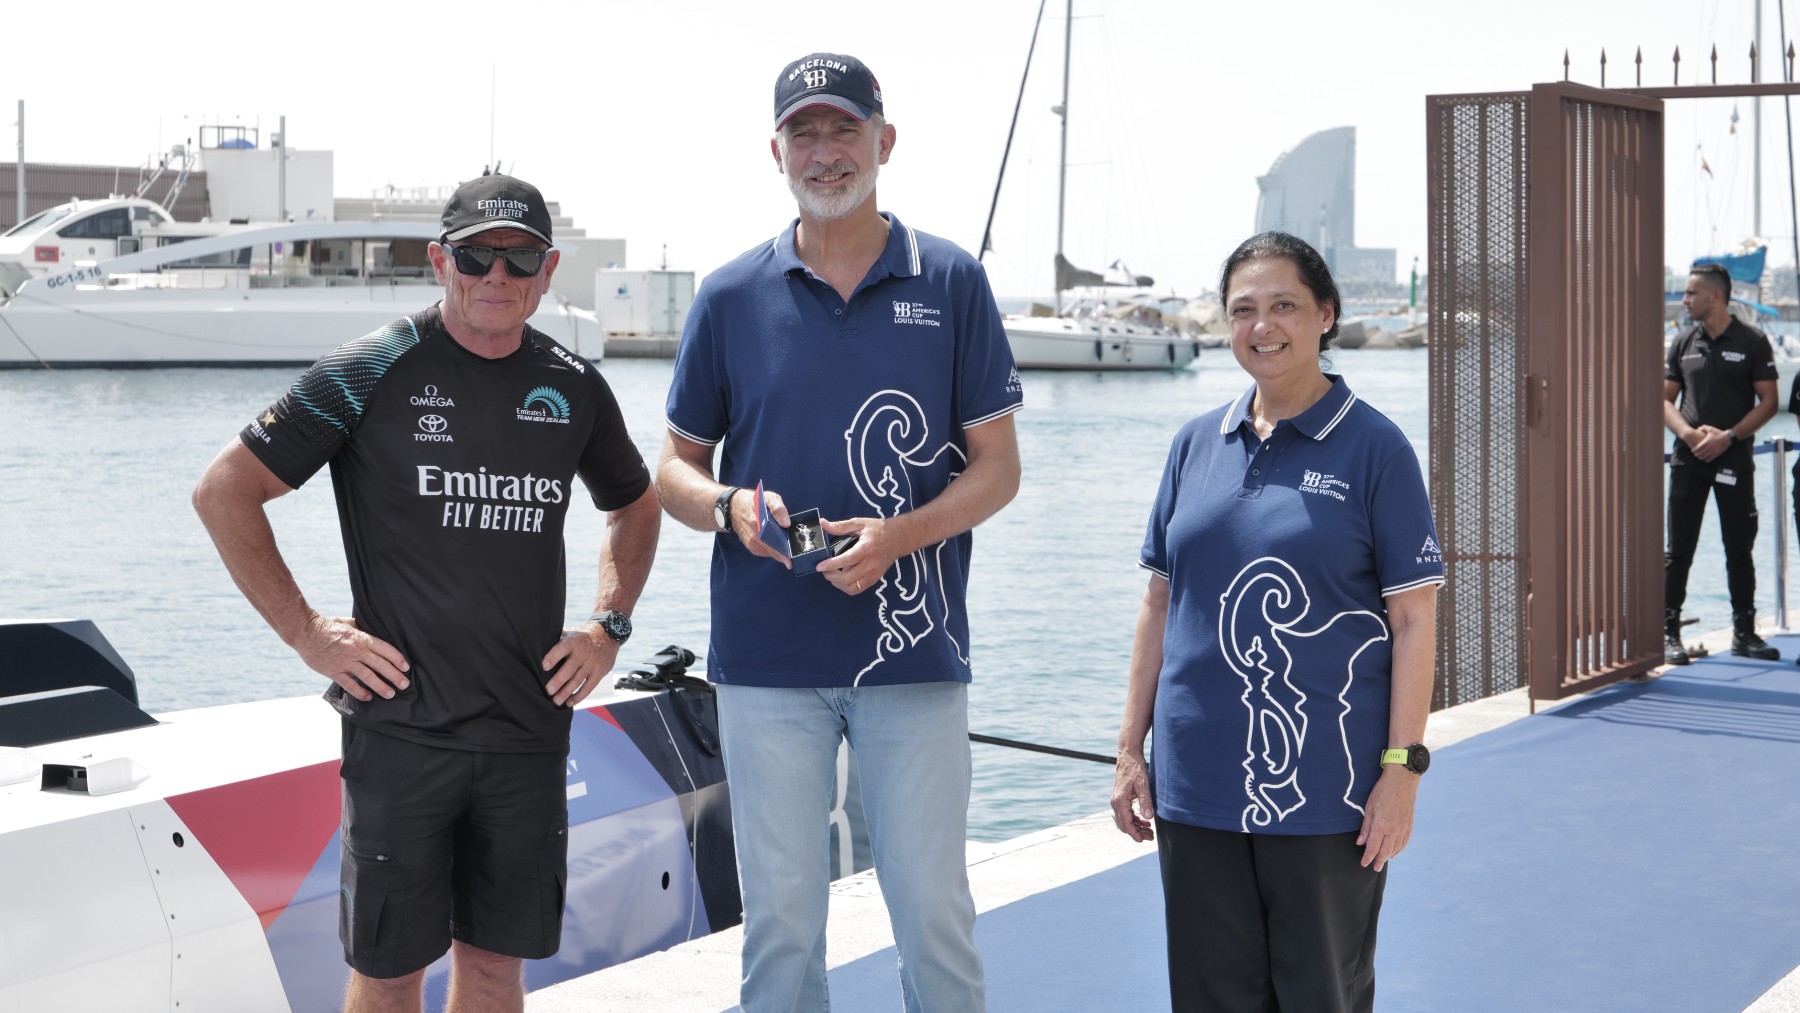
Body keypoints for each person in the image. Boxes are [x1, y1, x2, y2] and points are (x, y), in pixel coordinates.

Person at [191, 172, 660, 1013]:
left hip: (525, 733)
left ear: (548, 272)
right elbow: (225, 489)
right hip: (402, 734)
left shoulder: (575, 385)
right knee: (389, 973)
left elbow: (635, 504)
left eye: (518, 259)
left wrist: (606, 627)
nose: (496, 276)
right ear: (441, 260)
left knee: (493, 969)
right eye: (476, 255)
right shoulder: (369, 369)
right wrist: (307, 633)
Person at [656, 52, 1022, 1012]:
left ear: (884, 141)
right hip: (765, 660)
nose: (825, 153)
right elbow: (672, 470)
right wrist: (729, 506)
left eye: (843, 128)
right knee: (781, 922)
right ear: (775, 151)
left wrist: (902, 536)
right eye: (804, 133)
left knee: (933, 912)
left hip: (916, 655)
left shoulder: (952, 280)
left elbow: (999, 469)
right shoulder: (729, 295)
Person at [1109, 232, 1441, 1013]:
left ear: (1326, 315)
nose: (1263, 326)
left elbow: (1415, 620)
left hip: (1328, 790)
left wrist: (1402, 769)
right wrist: (1130, 749)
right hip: (1195, 786)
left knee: (1320, 994)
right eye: (1243, 310)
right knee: (1209, 997)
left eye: (1284, 305)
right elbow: (1159, 602)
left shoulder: (1377, 448)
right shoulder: (1195, 444)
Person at [1663, 262, 1780, 665]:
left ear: (1714, 296)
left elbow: (1768, 403)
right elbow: (1664, 400)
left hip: (1733, 459)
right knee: (1678, 550)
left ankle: (1744, 634)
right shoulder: (1681, 342)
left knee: (1739, 549)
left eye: (1692, 293)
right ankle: (1668, 633)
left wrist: (1727, 436)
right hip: (1688, 460)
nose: (1685, 299)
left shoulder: (1753, 341)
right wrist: (1690, 435)